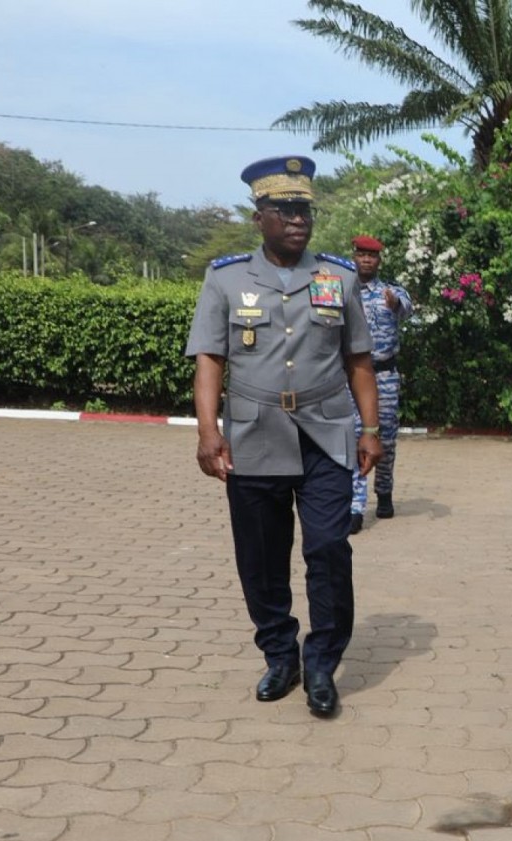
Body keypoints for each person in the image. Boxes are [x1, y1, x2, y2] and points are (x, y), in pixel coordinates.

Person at [186, 156, 383, 717]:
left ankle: (322, 661)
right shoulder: (226, 278)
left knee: (327, 547)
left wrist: (370, 430)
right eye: (286, 209)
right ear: (260, 216)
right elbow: (210, 359)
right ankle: (280, 654)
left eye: (306, 210)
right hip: (254, 434)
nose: (299, 219)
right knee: (262, 557)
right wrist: (208, 431)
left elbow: (359, 361)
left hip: (325, 434)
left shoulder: (339, 277)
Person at [347, 234, 413, 534]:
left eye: (371, 256)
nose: (366, 260)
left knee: (384, 440)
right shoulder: (343, 291)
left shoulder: (391, 291)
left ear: (379, 260)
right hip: (350, 376)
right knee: (353, 438)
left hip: (384, 376)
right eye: (361, 255)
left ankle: (384, 491)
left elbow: (406, 308)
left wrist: (395, 302)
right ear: (354, 256)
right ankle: (355, 507)